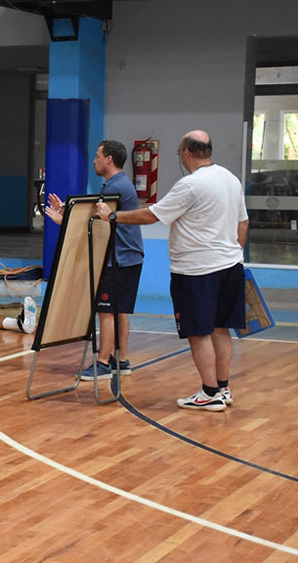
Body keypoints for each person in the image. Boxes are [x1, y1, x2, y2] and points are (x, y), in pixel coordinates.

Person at [95, 130, 248, 412]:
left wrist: (112, 216)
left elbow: (151, 215)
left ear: (187, 153)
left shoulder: (190, 185)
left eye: (179, 152)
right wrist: (233, 253)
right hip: (231, 266)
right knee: (220, 328)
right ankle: (223, 388)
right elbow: (244, 223)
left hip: (197, 270)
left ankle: (209, 392)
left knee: (198, 332)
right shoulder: (231, 179)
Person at [47, 140, 144, 381]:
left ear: (109, 159)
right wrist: (66, 211)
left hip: (118, 259)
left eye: (98, 156)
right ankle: (121, 360)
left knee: (106, 311)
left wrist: (63, 219)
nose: (94, 160)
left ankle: (102, 362)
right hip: (129, 257)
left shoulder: (115, 187)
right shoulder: (118, 184)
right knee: (120, 311)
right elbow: (92, 212)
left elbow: (92, 218)